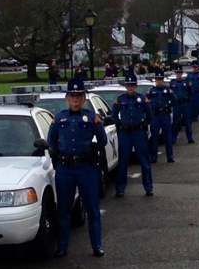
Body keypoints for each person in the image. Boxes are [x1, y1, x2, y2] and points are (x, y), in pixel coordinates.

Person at [47, 78, 107, 258]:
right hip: (65, 169)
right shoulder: (58, 118)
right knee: (64, 210)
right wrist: (57, 157)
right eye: (72, 95)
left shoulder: (91, 117)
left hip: (86, 168)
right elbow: (51, 142)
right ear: (67, 98)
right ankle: (63, 246)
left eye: (78, 95)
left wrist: (92, 151)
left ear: (83, 98)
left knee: (92, 209)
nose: (75, 99)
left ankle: (96, 246)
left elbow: (102, 139)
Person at [112, 73, 154, 197]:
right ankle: (120, 188)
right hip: (125, 133)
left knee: (144, 161)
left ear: (136, 86)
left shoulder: (142, 99)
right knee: (123, 161)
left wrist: (144, 124)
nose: (130, 88)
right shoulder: (120, 100)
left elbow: (149, 115)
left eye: (132, 86)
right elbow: (114, 115)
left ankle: (148, 187)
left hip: (139, 132)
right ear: (125, 86)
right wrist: (120, 124)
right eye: (128, 85)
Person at [147, 69, 176, 163]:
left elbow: (175, 100)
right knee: (154, 137)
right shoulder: (151, 91)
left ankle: (170, 156)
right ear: (155, 80)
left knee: (167, 136)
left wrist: (168, 106)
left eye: (160, 79)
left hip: (165, 115)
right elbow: (145, 103)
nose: (159, 81)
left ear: (162, 79)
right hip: (155, 115)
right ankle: (154, 157)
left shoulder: (167, 90)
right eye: (157, 79)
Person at [170, 65, 195, 143]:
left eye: (180, 73)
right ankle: (174, 138)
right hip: (176, 104)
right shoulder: (172, 83)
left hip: (185, 103)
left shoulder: (186, 82)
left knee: (187, 121)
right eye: (177, 73)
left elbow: (191, 92)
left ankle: (189, 137)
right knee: (175, 122)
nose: (178, 74)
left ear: (182, 73)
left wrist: (189, 101)